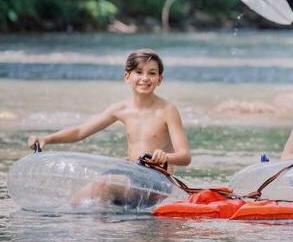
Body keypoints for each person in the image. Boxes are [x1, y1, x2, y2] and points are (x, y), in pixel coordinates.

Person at [26, 49, 190, 207]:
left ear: (159, 79)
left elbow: (185, 156)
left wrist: (165, 157)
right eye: (139, 72)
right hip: (130, 174)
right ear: (127, 77)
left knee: (103, 185)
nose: (145, 78)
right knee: (78, 200)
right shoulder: (120, 109)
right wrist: (46, 139)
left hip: (156, 181)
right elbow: (80, 132)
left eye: (152, 73)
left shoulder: (168, 110)